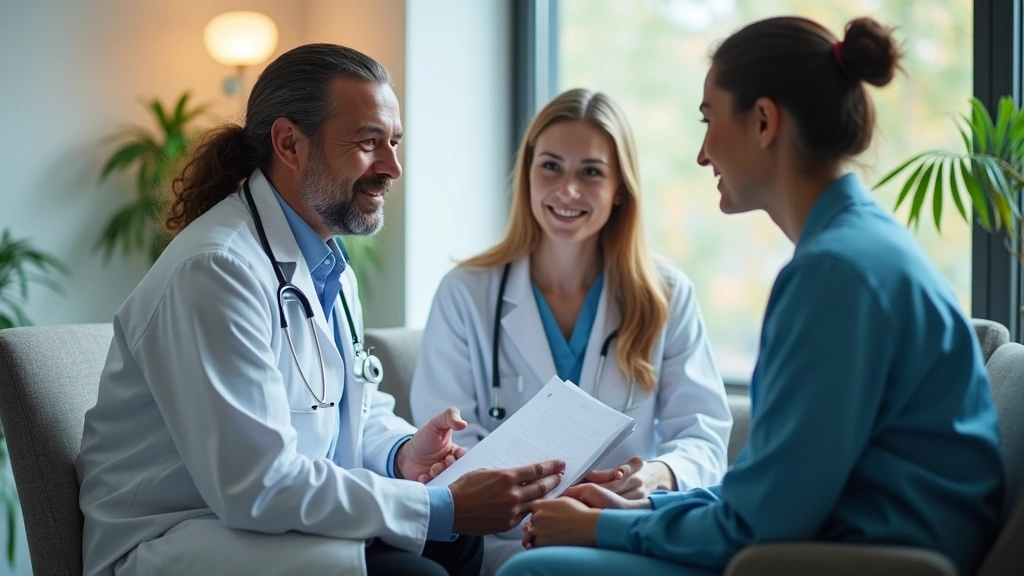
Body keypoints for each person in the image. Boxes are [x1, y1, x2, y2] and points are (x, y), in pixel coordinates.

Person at [497, 16, 1006, 576]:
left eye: (709, 119)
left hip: (853, 559)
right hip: (835, 537)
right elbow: (775, 489)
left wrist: (604, 525)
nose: (702, 152)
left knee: (532, 571)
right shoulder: (857, 247)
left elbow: (764, 521)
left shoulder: (834, 274)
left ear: (764, 121)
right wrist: (641, 507)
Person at [75, 44, 567, 576]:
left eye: (394, 143)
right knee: (417, 565)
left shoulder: (323, 262)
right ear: (289, 143)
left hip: (259, 524)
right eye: (368, 142)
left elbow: (345, 408)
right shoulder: (216, 270)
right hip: (179, 536)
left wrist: (403, 453)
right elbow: (256, 484)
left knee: (454, 543)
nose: (393, 167)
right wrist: (439, 505)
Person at [409, 88, 733, 575]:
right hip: (501, 543)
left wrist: (654, 477)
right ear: (528, 175)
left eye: (591, 172)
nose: (568, 191)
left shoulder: (666, 294)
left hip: (619, 533)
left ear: (620, 187)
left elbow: (704, 437)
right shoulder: (465, 293)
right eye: (551, 167)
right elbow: (450, 451)